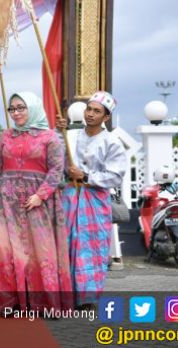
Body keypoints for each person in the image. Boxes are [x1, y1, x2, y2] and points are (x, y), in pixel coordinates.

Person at [0, 92, 72, 312]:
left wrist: (41, 195)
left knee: (40, 251)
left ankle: (44, 302)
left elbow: (57, 170)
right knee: (7, 250)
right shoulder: (6, 136)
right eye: (12, 109)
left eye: (21, 108)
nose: (16, 113)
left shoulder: (50, 137)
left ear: (33, 108)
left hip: (38, 202)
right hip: (6, 202)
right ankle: (12, 302)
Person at [57, 91, 126, 309]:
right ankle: (65, 294)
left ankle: (87, 297)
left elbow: (115, 175)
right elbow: (56, 154)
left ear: (106, 117)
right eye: (89, 109)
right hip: (69, 197)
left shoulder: (112, 142)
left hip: (94, 200)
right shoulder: (72, 136)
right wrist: (59, 131)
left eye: (97, 111)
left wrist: (86, 176)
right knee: (66, 243)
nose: (91, 114)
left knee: (91, 246)